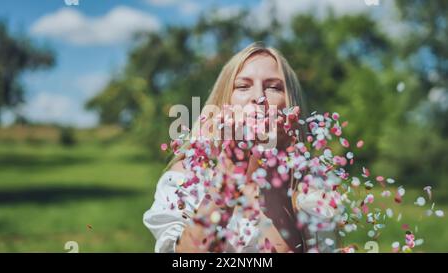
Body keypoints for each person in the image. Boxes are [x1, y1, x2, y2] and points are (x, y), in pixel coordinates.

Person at [143, 41, 337, 253]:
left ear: (291, 106)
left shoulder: (311, 186)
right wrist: (230, 167)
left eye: (273, 87)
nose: (258, 97)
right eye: (243, 86)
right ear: (224, 100)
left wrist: (274, 176)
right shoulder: (187, 178)